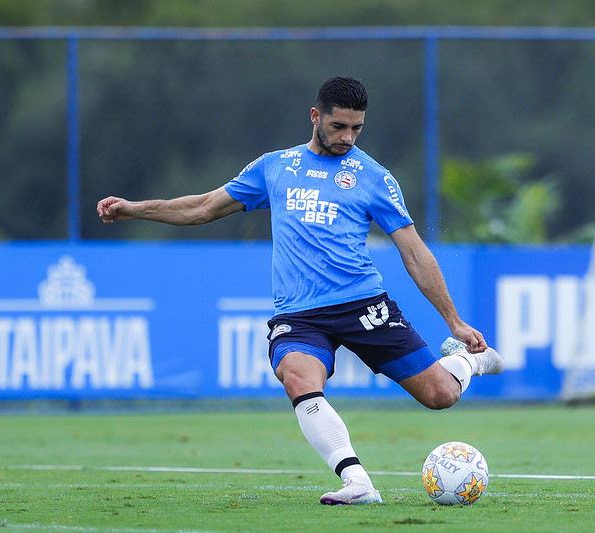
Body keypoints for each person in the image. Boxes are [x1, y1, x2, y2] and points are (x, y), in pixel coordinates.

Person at [97, 76, 504, 505]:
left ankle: (467, 364)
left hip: (363, 305)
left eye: (357, 129)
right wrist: (134, 210)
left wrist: (454, 322)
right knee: (298, 377)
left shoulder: (372, 177)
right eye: (338, 127)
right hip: (300, 315)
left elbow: (415, 254)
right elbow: (202, 208)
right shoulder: (274, 168)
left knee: (439, 396)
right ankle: (358, 483)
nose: (347, 137)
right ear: (316, 117)